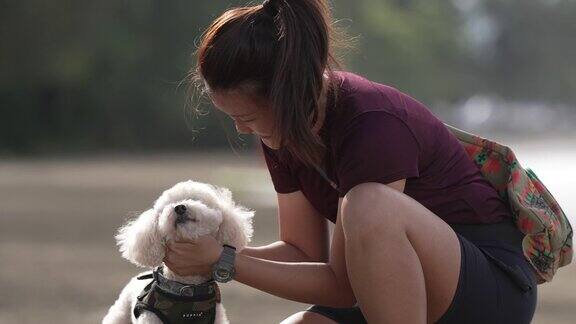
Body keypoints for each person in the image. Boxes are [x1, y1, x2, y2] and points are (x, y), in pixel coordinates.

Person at [163, 0, 538, 323]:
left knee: (367, 204)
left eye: (246, 117)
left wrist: (223, 263)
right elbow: (302, 253)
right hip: (384, 279)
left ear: (284, 95)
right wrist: (200, 253)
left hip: (488, 282)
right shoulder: (279, 131)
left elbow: (340, 286)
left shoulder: (372, 123)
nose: (241, 130)